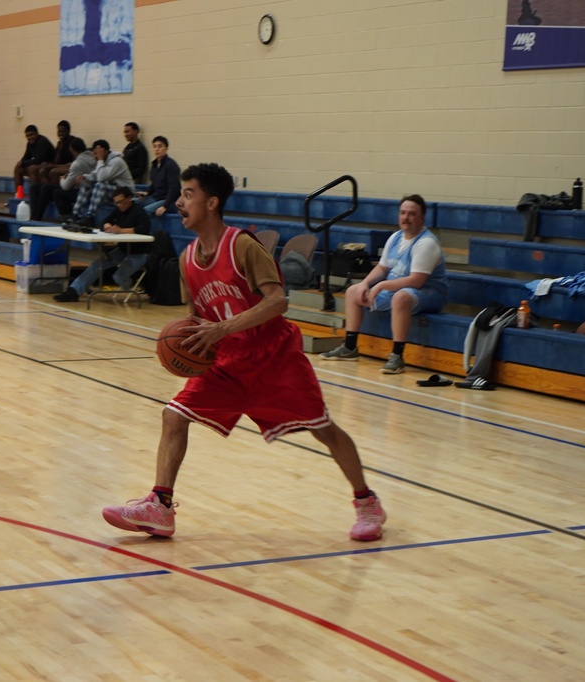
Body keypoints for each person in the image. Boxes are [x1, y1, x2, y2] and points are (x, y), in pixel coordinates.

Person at [101, 162, 386, 542]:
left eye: (189, 194)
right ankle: (160, 505)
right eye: (181, 194)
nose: (179, 202)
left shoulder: (242, 246)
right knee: (173, 416)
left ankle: (367, 503)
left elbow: (278, 301)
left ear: (212, 203)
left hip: (276, 360)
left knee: (324, 430)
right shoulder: (187, 260)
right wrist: (188, 344)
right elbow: (197, 320)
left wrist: (223, 328)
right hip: (227, 365)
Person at [320, 194, 448, 374]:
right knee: (353, 291)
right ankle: (349, 347)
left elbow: (416, 281)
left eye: (412, 214)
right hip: (398, 288)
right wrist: (365, 283)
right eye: (403, 213)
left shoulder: (426, 243)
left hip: (430, 293)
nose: (406, 218)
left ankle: (397, 356)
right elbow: (382, 268)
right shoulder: (396, 237)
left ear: (422, 218)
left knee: (400, 297)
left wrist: (380, 286)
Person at [53, 186, 152, 302]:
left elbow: (144, 229)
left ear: (129, 198)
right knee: (97, 265)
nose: (119, 205)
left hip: (139, 252)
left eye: (121, 202)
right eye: (117, 203)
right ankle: (74, 291)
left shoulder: (139, 211)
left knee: (118, 277)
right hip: (123, 250)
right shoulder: (118, 210)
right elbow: (105, 221)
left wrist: (121, 231)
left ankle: (138, 286)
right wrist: (107, 225)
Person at [66, 139, 134, 227]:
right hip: (113, 191)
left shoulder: (116, 161)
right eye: (94, 153)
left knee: (100, 185)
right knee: (85, 184)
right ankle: (76, 215)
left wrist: (100, 159)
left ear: (104, 151)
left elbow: (101, 177)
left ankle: (90, 217)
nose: (95, 156)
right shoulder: (103, 162)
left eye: (96, 153)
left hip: (125, 192)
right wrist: (84, 177)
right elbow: (95, 174)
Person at [28, 120, 83, 220]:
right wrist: (58, 151)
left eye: (63, 132)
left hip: (70, 167)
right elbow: (56, 161)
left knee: (53, 171)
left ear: (69, 131)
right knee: (42, 170)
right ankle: (36, 211)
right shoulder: (59, 144)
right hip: (62, 166)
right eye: (59, 132)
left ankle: (51, 191)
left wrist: (54, 166)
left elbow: (73, 163)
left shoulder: (73, 142)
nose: (60, 134)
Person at [50, 137, 96, 220]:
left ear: (72, 150)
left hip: (84, 192)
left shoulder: (77, 163)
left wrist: (62, 178)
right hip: (93, 190)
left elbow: (65, 186)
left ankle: (66, 216)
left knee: (58, 192)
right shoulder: (93, 156)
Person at [135, 136, 180, 217]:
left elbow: (174, 189)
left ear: (166, 148)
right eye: (154, 146)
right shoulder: (154, 165)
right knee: (133, 203)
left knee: (146, 211)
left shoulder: (171, 165)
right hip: (156, 198)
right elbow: (154, 184)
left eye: (160, 146)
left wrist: (164, 206)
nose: (157, 149)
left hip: (169, 201)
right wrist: (147, 193)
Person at [13, 124, 54, 194]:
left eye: (32, 135)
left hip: (49, 165)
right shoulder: (29, 144)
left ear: (37, 133)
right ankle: (18, 194)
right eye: (28, 136)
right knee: (18, 168)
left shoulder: (42, 141)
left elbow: (39, 160)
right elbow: (26, 157)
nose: (30, 137)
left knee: (32, 168)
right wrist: (20, 163)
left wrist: (23, 163)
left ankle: (34, 196)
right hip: (40, 166)